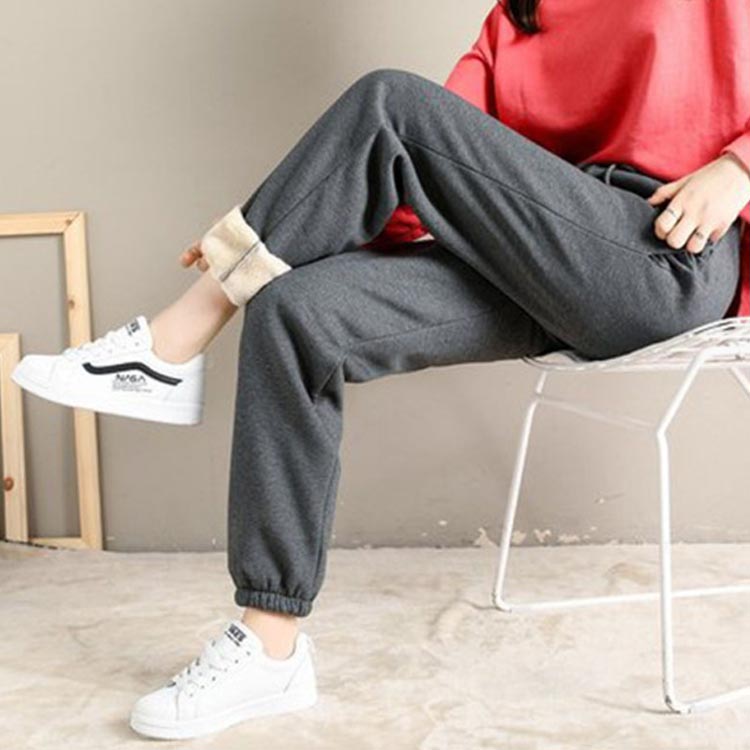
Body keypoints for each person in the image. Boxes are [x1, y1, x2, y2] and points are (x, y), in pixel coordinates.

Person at [11, 0, 750, 740]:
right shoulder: (517, 17)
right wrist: (284, 230)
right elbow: (408, 175)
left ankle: (172, 343)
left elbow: (399, 124)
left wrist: (739, 168)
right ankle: (269, 648)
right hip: (536, 258)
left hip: (663, 252)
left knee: (389, 101)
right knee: (294, 309)